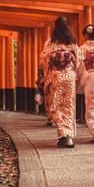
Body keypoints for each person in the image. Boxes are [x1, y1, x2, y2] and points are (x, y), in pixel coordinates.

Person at [39, 17, 81, 148]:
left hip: (55, 76)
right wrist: (73, 74)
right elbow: (78, 60)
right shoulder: (72, 43)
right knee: (68, 106)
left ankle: (63, 135)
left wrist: (45, 77)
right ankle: (68, 136)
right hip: (69, 76)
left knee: (56, 106)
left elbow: (43, 60)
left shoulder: (50, 42)